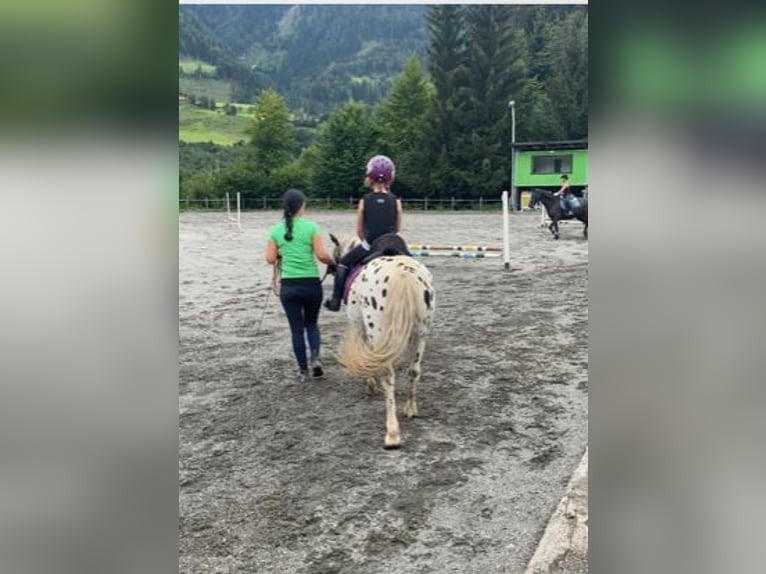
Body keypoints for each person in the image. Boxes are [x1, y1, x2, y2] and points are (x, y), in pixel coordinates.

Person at [266, 189, 336, 382]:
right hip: (311, 285)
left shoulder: (275, 230)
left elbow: (270, 259)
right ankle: (316, 360)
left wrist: (282, 253)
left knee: (296, 330)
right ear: (302, 206)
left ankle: (303, 371)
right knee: (312, 325)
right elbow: (322, 256)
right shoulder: (311, 227)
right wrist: (333, 263)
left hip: (289, 287)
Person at [324, 155, 403, 312]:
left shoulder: (364, 201)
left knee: (343, 263)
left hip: (370, 245)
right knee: (413, 265)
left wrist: (365, 239)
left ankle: (335, 301)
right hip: (394, 243)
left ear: (370, 178)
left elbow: (359, 231)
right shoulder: (396, 201)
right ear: (390, 179)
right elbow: (398, 227)